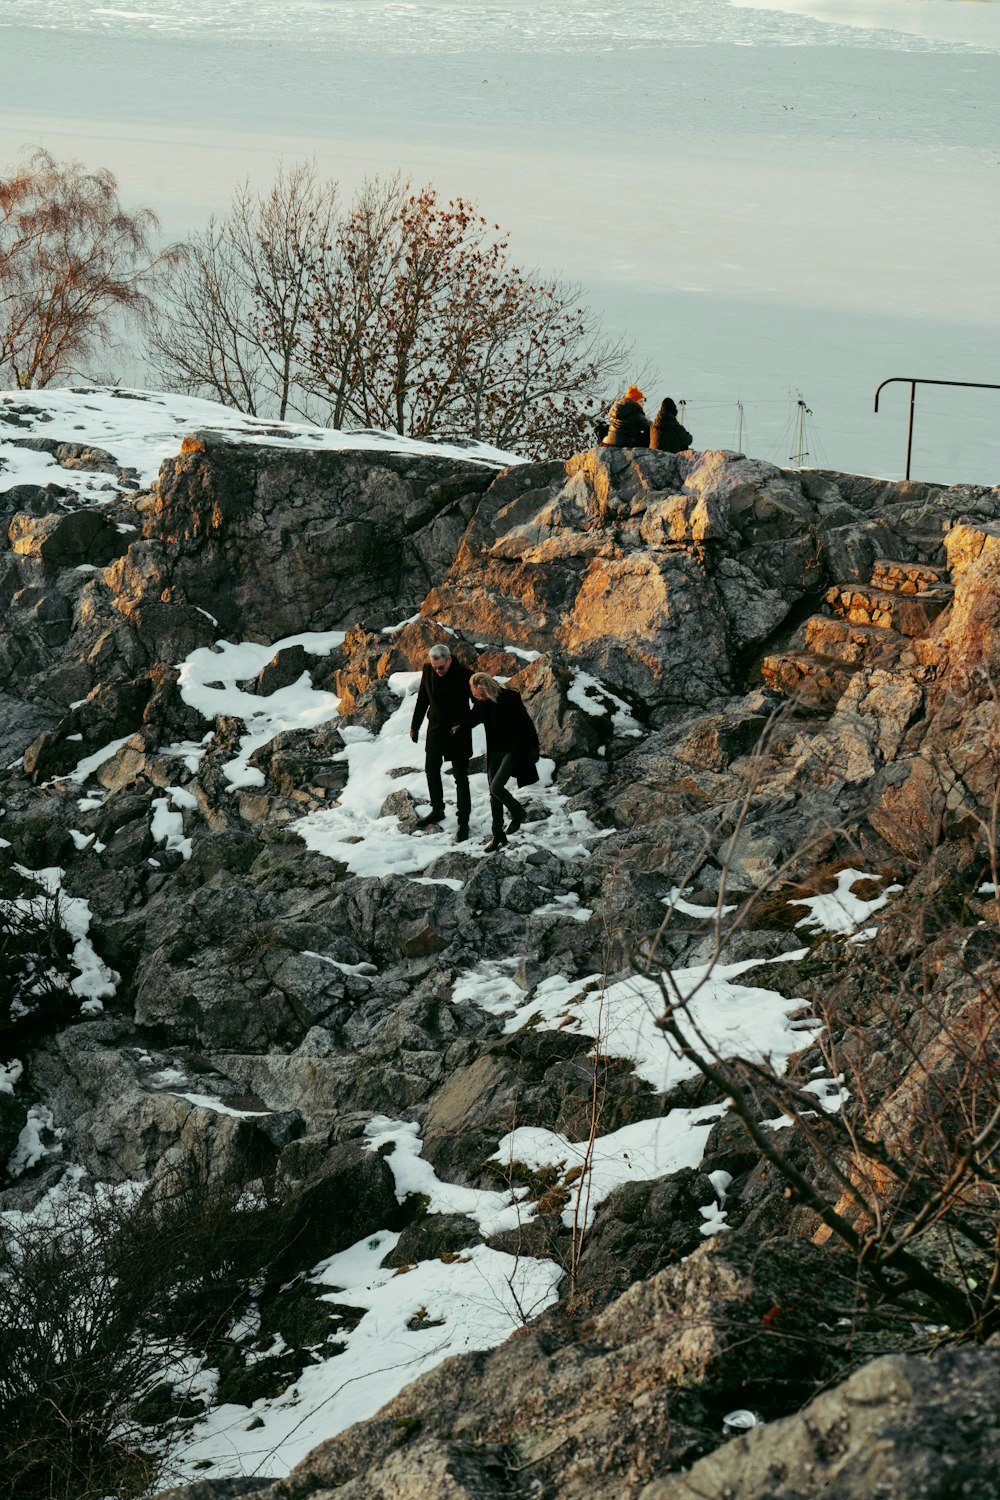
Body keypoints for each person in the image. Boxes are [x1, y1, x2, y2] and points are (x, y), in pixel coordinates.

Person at [456, 672, 540, 853]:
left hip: (514, 747)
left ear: (490, 689)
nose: (478, 697)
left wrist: (534, 748)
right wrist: (460, 726)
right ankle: (497, 834)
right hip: (495, 749)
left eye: (481, 694)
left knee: (496, 787)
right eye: (475, 695)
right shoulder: (481, 702)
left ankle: (518, 812)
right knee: (493, 794)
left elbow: (526, 724)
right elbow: (476, 717)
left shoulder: (509, 698)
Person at [409, 644, 473, 841]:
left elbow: (480, 705)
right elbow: (423, 698)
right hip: (435, 729)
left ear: (449, 660)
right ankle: (437, 809)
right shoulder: (429, 670)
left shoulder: (465, 675)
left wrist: (463, 725)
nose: (437, 671)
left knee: (460, 778)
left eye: (441, 668)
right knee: (431, 769)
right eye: (434, 667)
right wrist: (415, 726)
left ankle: (463, 821)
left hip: (458, 732)